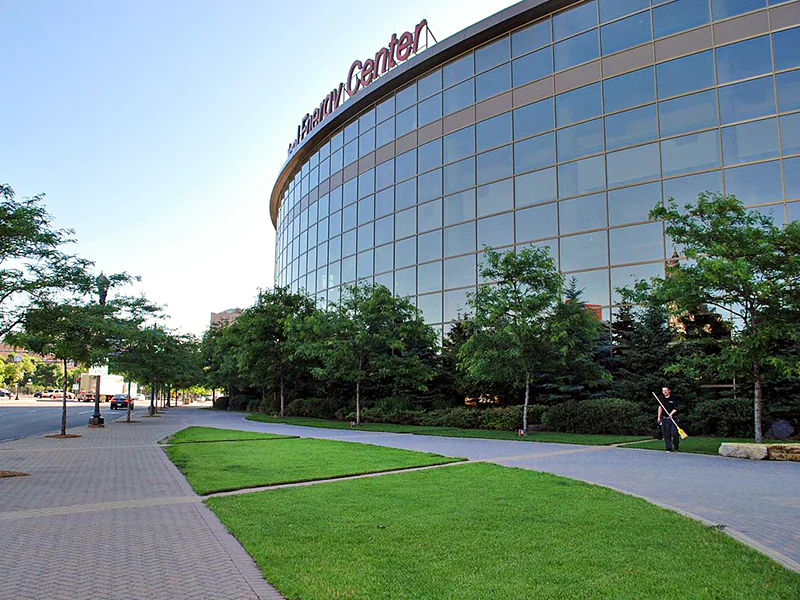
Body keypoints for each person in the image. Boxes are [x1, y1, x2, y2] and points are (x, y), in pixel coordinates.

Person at [657, 386, 680, 452]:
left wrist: (671, 414)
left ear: (669, 391)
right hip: (665, 418)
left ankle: (676, 445)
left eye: (666, 390)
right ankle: (668, 448)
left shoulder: (674, 398)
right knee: (666, 434)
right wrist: (659, 417)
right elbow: (660, 407)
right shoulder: (661, 399)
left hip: (673, 418)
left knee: (674, 432)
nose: (664, 392)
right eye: (663, 391)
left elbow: (676, 408)